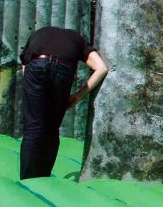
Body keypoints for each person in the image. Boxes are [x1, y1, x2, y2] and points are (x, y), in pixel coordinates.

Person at [19, 26, 107, 180]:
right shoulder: (78, 39)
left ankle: (28, 180)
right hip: (63, 69)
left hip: (36, 66)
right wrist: (78, 96)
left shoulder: (38, 34)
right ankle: (44, 176)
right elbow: (101, 68)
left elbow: (25, 66)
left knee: (33, 128)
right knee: (52, 128)